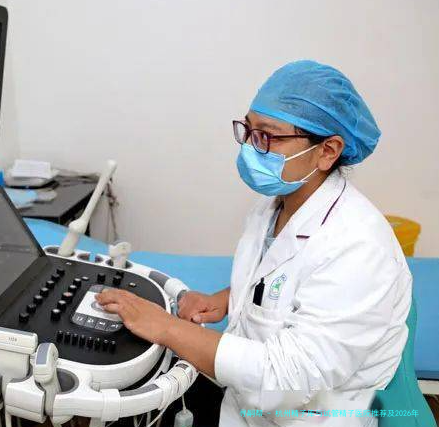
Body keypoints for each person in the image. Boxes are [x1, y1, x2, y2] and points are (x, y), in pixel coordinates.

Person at [96, 60, 412, 426]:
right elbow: (280, 276)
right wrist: (228, 299)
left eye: (267, 136)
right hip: (248, 402)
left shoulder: (359, 247)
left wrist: (167, 328)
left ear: (328, 151)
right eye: (248, 130)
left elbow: (291, 378)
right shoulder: (276, 205)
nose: (250, 147)